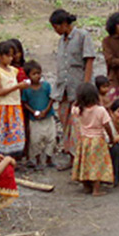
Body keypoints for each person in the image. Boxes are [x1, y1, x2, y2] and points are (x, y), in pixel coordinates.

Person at [50, 9, 96, 170]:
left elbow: (89, 61)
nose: (55, 31)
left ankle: (80, 160)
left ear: (64, 24)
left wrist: (86, 86)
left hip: (78, 87)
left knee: (78, 125)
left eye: (56, 27)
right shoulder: (61, 41)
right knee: (66, 124)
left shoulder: (82, 36)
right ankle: (71, 158)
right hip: (63, 89)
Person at [71, 83, 115, 197]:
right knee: (96, 164)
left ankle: (86, 186)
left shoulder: (77, 109)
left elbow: (75, 114)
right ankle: (96, 189)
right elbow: (107, 125)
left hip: (84, 139)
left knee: (85, 162)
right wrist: (111, 138)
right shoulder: (100, 110)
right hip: (97, 140)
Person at [0, 41, 29, 158]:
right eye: (8, 55)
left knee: (14, 133)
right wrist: (17, 86)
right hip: (4, 107)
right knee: (4, 133)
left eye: (12, 55)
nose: (11, 58)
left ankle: (13, 157)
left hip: (15, 105)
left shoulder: (13, 70)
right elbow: (0, 91)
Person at [20, 60, 56, 168]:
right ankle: (38, 159)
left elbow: (51, 99)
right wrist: (33, 112)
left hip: (48, 116)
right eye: (34, 74)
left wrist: (46, 110)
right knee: (35, 140)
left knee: (51, 138)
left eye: (39, 73)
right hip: (34, 119)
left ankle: (49, 159)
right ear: (28, 76)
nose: (37, 76)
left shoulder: (46, 86)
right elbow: (25, 103)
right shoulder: (26, 90)